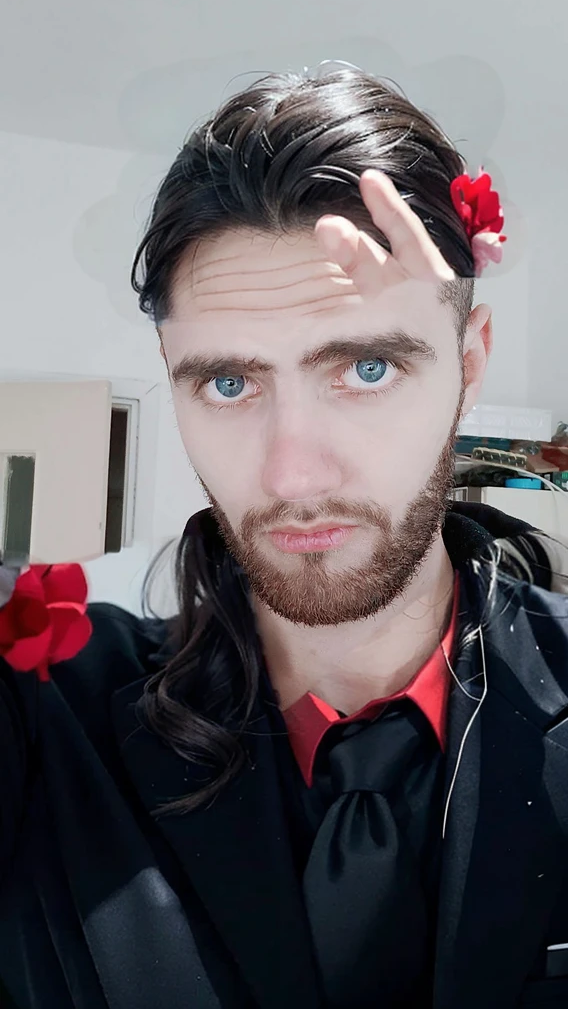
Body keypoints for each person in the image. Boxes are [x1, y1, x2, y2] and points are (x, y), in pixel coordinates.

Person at [1, 65, 568, 1009]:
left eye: (370, 367)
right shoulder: (52, 719)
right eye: (229, 383)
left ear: (468, 366)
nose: (293, 473)